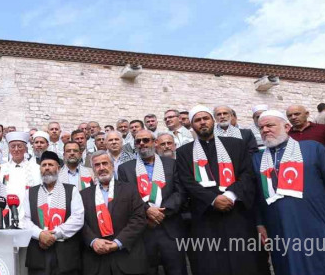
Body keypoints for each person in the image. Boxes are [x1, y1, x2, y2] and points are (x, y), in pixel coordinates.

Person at [253, 110, 325, 275]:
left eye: (270, 125)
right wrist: (259, 223)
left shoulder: (313, 148)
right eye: (261, 128)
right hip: (280, 230)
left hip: (319, 224)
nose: (265, 130)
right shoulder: (257, 159)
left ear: (287, 127)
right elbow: (257, 197)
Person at [175, 106, 258, 275]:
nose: (202, 122)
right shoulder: (183, 152)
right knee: (211, 264)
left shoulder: (237, 144)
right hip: (205, 215)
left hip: (235, 211)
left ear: (213, 121)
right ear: (192, 126)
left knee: (242, 261)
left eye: (205, 118)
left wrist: (229, 195)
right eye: (197, 120)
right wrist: (213, 200)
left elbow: (247, 173)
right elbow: (187, 181)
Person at [118, 130, 186, 275]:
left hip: (170, 228)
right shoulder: (125, 168)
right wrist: (147, 210)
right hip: (143, 230)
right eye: (138, 141)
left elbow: (180, 192)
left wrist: (162, 212)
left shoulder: (172, 164)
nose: (142, 143)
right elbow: (126, 197)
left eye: (145, 140)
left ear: (155, 143)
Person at [80, 151, 148, 275]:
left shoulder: (130, 189)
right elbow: (80, 222)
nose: (101, 168)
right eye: (97, 165)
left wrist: (118, 243)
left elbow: (139, 219)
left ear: (112, 165)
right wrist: (93, 241)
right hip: (96, 260)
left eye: (105, 163)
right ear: (93, 170)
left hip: (127, 258)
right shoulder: (83, 195)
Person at [23, 151, 85, 275]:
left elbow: (78, 218)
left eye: (50, 164)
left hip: (65, 256)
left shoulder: (71, 190)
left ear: (58, 168)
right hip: (38, 254)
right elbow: (24, 219)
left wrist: (54, 235)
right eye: (43, 165)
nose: (47, 168)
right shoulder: (31, 192)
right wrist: (40, 234)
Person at [285, 105, 325, 170]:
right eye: (289, 115)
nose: (293, 117)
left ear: (307, 114)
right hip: (299, 174)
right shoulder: (287, 136)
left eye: (297, 114)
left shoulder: (323, 129)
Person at [2, 131, 41, 196]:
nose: (16, 149)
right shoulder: (2, 168)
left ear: (25, 148)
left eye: (19, 146)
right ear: (9, 149)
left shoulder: (36, 168)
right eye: (13, 146)